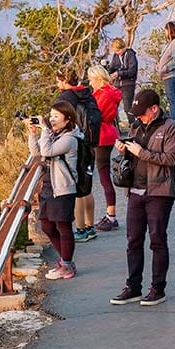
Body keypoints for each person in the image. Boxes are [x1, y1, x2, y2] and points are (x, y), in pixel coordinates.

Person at [109, 89, 175, 306]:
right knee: (133, 241)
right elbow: (134, 157)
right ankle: (133, 287)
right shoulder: (136, 127)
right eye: (137, 114)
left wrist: (142, 153)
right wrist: (124, 150)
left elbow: (171, 158)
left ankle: (158, 288)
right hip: (135, 191)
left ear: (154, 109)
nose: (139, 117)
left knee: (157, 240)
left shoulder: (171, 128)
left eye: (142, 113)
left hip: (159, 192)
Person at [27, 101, 83, 280]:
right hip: (48, 186)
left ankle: (67, 265)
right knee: (47, 225)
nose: (51, 119)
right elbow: (37, 153)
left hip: (63, 188)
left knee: (63, 226)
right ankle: (66, 261)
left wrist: (45, 129)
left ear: (68, 119)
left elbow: (47, 150)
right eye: (50, 116)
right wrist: (32, 133)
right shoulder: (55, 135)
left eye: (56, 116)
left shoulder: (69, 139)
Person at [55, 69, 101, 242]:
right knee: (86, 186)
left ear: (63, 80)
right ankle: (90, 226)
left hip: (75, 145)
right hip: (90, 143)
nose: (57, 85)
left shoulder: (66, 98)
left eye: (58, 81)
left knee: (77, 190)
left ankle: (80, 229)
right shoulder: (86, 94)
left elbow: (57, 121)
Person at [87, 64, 122, 231]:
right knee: (104, 175)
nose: (90, 82)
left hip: (101, 135)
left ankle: (111, 215)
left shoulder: (102, 95)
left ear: (98, 79)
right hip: (107, 133)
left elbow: (95, 115)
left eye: (91, 79)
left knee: (104, 176)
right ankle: (110, 214)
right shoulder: (109, 93)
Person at [157, 21, 175, 123]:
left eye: (166, 30)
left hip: (171, 75)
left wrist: (165, 68)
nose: (165, 33)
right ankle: (173, 122)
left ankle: (174, 123)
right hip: (168, 75)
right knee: (171, 100)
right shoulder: (172, 43)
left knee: (173, 101)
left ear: (170, 31)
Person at [105, 38, 138, 121]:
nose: (117, 53)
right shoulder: (116, 56)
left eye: (118, 50)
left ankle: (133, 126)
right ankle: (115, 127)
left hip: (127, 84)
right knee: (113, 107)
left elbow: (132, 71)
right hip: (116, 85)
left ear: (123, 47)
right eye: (115, 51)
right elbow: (112, 67)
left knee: (128, 108)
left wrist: (119, 73)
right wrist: (107, 71)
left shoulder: (130, 55)